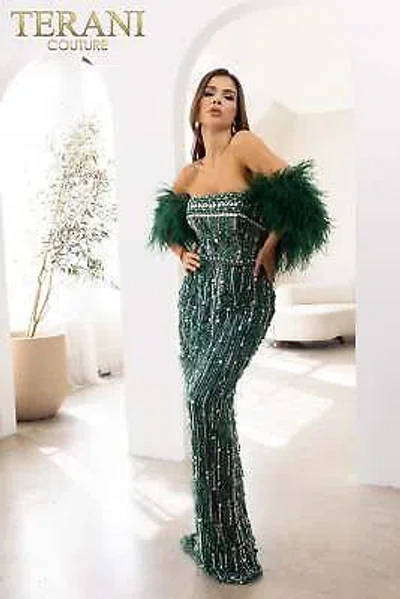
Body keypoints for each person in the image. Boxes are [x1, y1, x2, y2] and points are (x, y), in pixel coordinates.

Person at [148, 67, 331, 585]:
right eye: (209, 93)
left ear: (237, 109)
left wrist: (271, 245)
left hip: (245, 297)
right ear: (196, 107)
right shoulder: (189, 175)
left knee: (205, 397)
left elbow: (298, 196)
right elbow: (167, 224)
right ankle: (215, 535)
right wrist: (181, 251)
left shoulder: (245, 146)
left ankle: (227, 540)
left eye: (228, 96)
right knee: (206, 408)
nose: (218, 101)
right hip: (196, 303)